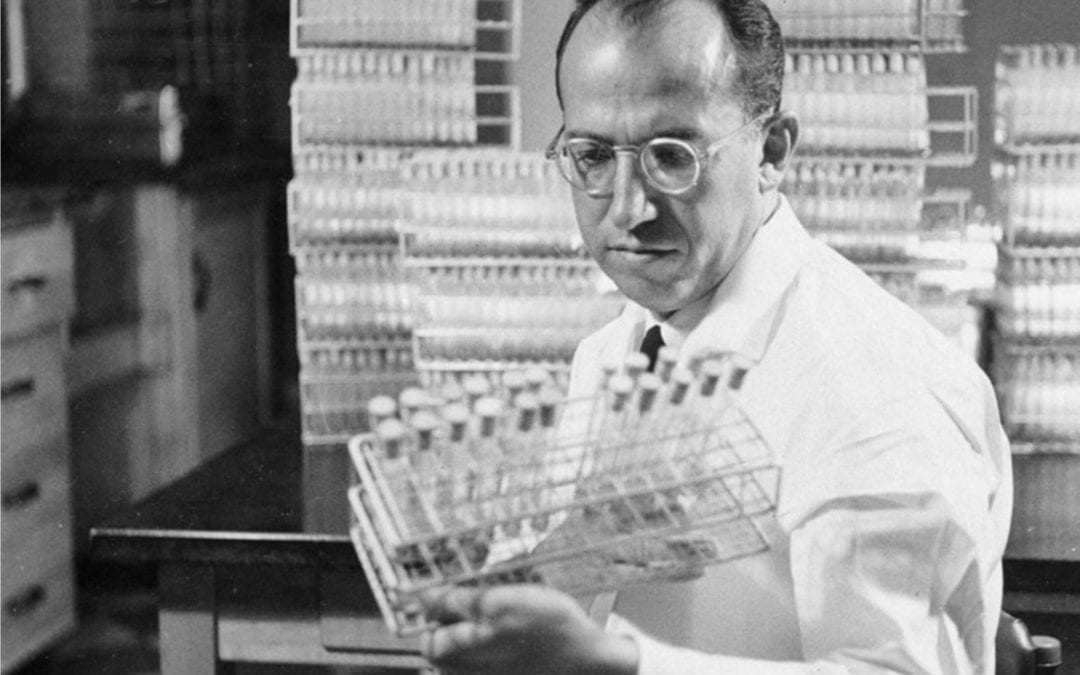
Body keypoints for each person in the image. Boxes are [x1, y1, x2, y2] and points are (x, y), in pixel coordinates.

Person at [420, 0, 1013, 672]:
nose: (627, 209)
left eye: (671, 156)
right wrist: (526, 592)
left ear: (771, 152)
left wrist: (614, 665)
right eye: (590, 155)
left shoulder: (870, 391)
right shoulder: (623, 346)